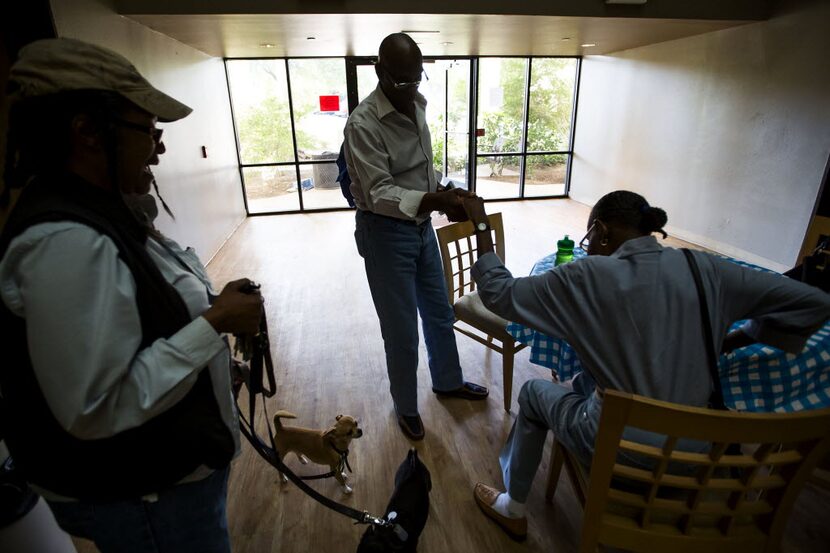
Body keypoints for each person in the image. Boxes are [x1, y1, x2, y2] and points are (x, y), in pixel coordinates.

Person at [0, 38, 263, 553]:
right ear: (87, 132)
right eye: (146, 130)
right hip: (148, 502)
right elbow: (97, 406)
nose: (159, 147)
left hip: (164, 487)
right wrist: (214, 324)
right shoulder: (67, 241)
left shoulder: (102, 210)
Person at [460, 190, 830, 540]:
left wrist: (480, 224)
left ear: (600, 231)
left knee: (534, 392)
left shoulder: (584, 276)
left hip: (620, 448)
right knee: (588, 381)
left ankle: (512, 506)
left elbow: (498, 293)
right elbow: (815, 303)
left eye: (589, 242)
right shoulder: (706, 269)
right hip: (695, 451)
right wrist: (732, 340)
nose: (588, 249)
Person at [343, 33, 488, 440]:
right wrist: (436, 199)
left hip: (422, 229)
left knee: (440, 313)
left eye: (417, 78)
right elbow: (380, 193)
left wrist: (447, 190)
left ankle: (447, 381)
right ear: (379, 71)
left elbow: (422, 170)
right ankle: (406, 406)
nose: (412, 88)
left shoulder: (418, 103)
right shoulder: (363, 124)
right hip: (385, 233)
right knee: (402, 331)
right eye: (402, 81)